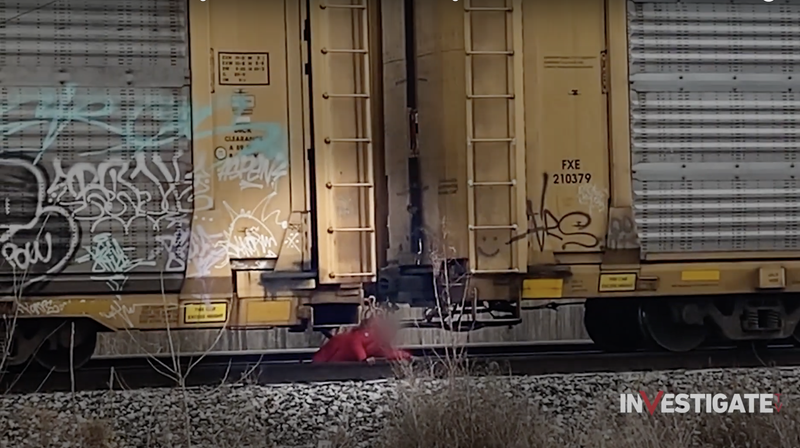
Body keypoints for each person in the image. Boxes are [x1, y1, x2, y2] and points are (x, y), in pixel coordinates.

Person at [312, 315, 411, 364]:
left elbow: (388, 353)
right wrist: (363, 359)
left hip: (338, 361)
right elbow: (355, 341)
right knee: (318, 364)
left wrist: (407, 356)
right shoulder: (370, 334)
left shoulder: (379, 341)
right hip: (332, 353)